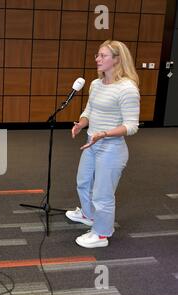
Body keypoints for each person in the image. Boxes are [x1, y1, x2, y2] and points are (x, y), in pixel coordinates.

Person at [65, 40, 140, 249]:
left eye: (103, 55)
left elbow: (131, 126)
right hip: (91, 143)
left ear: (117, 59)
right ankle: (89, 215)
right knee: (83, 182)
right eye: (98, 55)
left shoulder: (127, 88)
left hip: (112, 148)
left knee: (102, 194)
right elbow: (90, 110)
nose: (97, 59)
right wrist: (81, 124)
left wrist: (105, 133)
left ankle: (101, 234)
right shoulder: (96, 84)